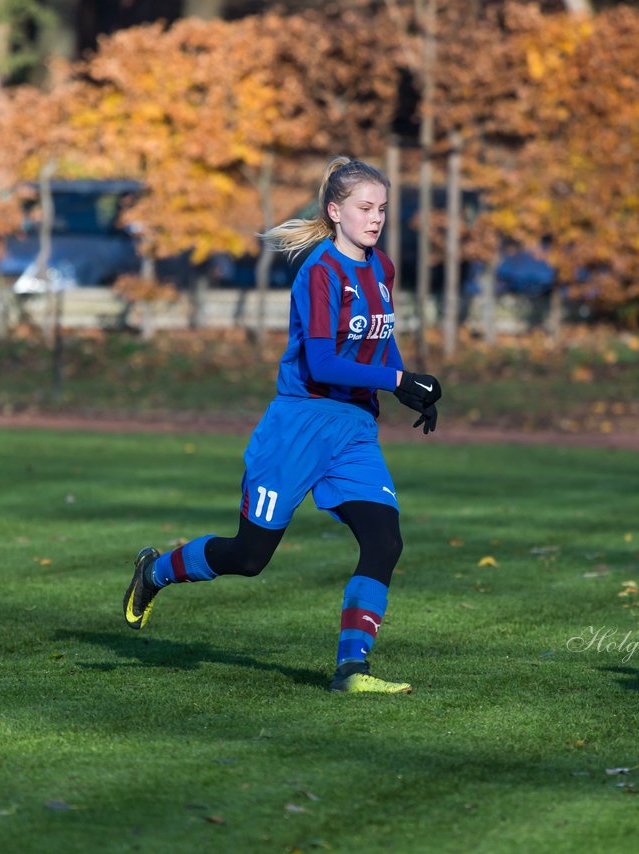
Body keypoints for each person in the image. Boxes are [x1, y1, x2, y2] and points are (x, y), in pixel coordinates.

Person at [123, 156, 443, 694]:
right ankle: (156, 571)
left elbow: (381, 338)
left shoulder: (381, 269)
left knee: (385, 541)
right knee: (249, 557)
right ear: (335, 210)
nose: (375, 218)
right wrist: (395, 378)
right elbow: (321, 364)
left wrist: (410, 388)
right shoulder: (319, 272)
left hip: (354, 430)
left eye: (382, 209)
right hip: (298, 427)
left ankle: (352, 669)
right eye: (365, 208)